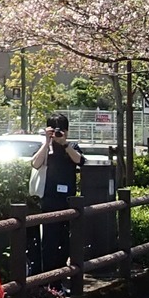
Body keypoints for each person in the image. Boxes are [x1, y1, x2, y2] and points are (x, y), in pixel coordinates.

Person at [32, 112, 86, 274]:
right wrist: (47, 142)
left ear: (67, 131)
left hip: (68, 200)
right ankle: (49, 278)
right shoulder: (45, 147)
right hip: (49, 199)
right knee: (49, 240)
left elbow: (80, 161)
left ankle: (62, 274)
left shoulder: (72, 147)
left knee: (67, 241)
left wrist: (65, 144)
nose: (57, 134)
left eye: (61, 131)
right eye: (54, 130)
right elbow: (35, 164)